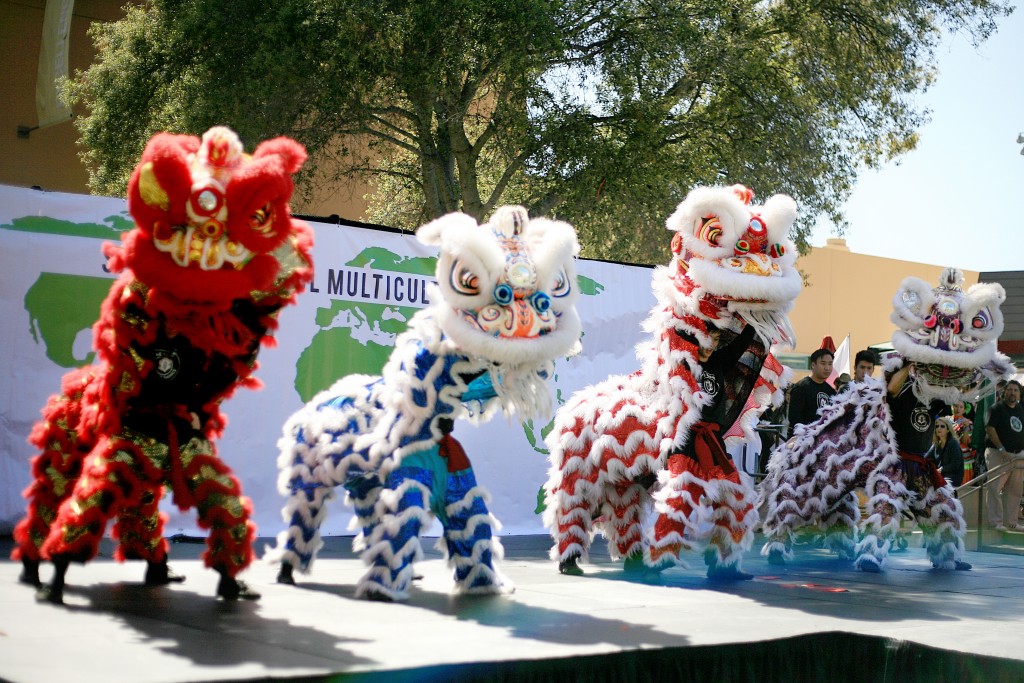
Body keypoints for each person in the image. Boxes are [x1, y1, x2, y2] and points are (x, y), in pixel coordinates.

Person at [985, 380, 1024, 531]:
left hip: (1018, 456)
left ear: (1019, 394)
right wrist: (1001, 449)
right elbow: (990, 429)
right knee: (995, 487)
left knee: (1015, 490)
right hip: (998, 453)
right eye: (1010, 390)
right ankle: (996, 522)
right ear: (1004, 392)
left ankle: (1012, 522)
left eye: (1016, 390)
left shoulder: (1020, 409)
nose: (1013, 393)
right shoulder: (996, 408)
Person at [787, 348, 836, 430]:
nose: (827, 368)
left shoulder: (831, 391)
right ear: (813, 365)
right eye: (823, 363)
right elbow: (794, 419)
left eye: (830, 364)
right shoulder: (801, 387)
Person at [926, 416, 965, 488]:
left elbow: (956, 464)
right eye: (937, 426)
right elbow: (926, 458)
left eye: (942, 426)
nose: (939, 428)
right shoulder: (936, 445)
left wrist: (941, 469)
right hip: (940, 476)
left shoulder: (953, 443)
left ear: (948, 430)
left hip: (953, 477)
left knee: (939, 487)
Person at [951, 402, 975, 483]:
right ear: (952, 407)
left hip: (963, 458)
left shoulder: (969, 423)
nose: (958, 409)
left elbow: (966, 442)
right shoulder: (946, 421)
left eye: (961, 407)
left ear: (965, 410)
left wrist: (965, 428)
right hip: (948, 456)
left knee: (963, 485)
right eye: (956, 405)